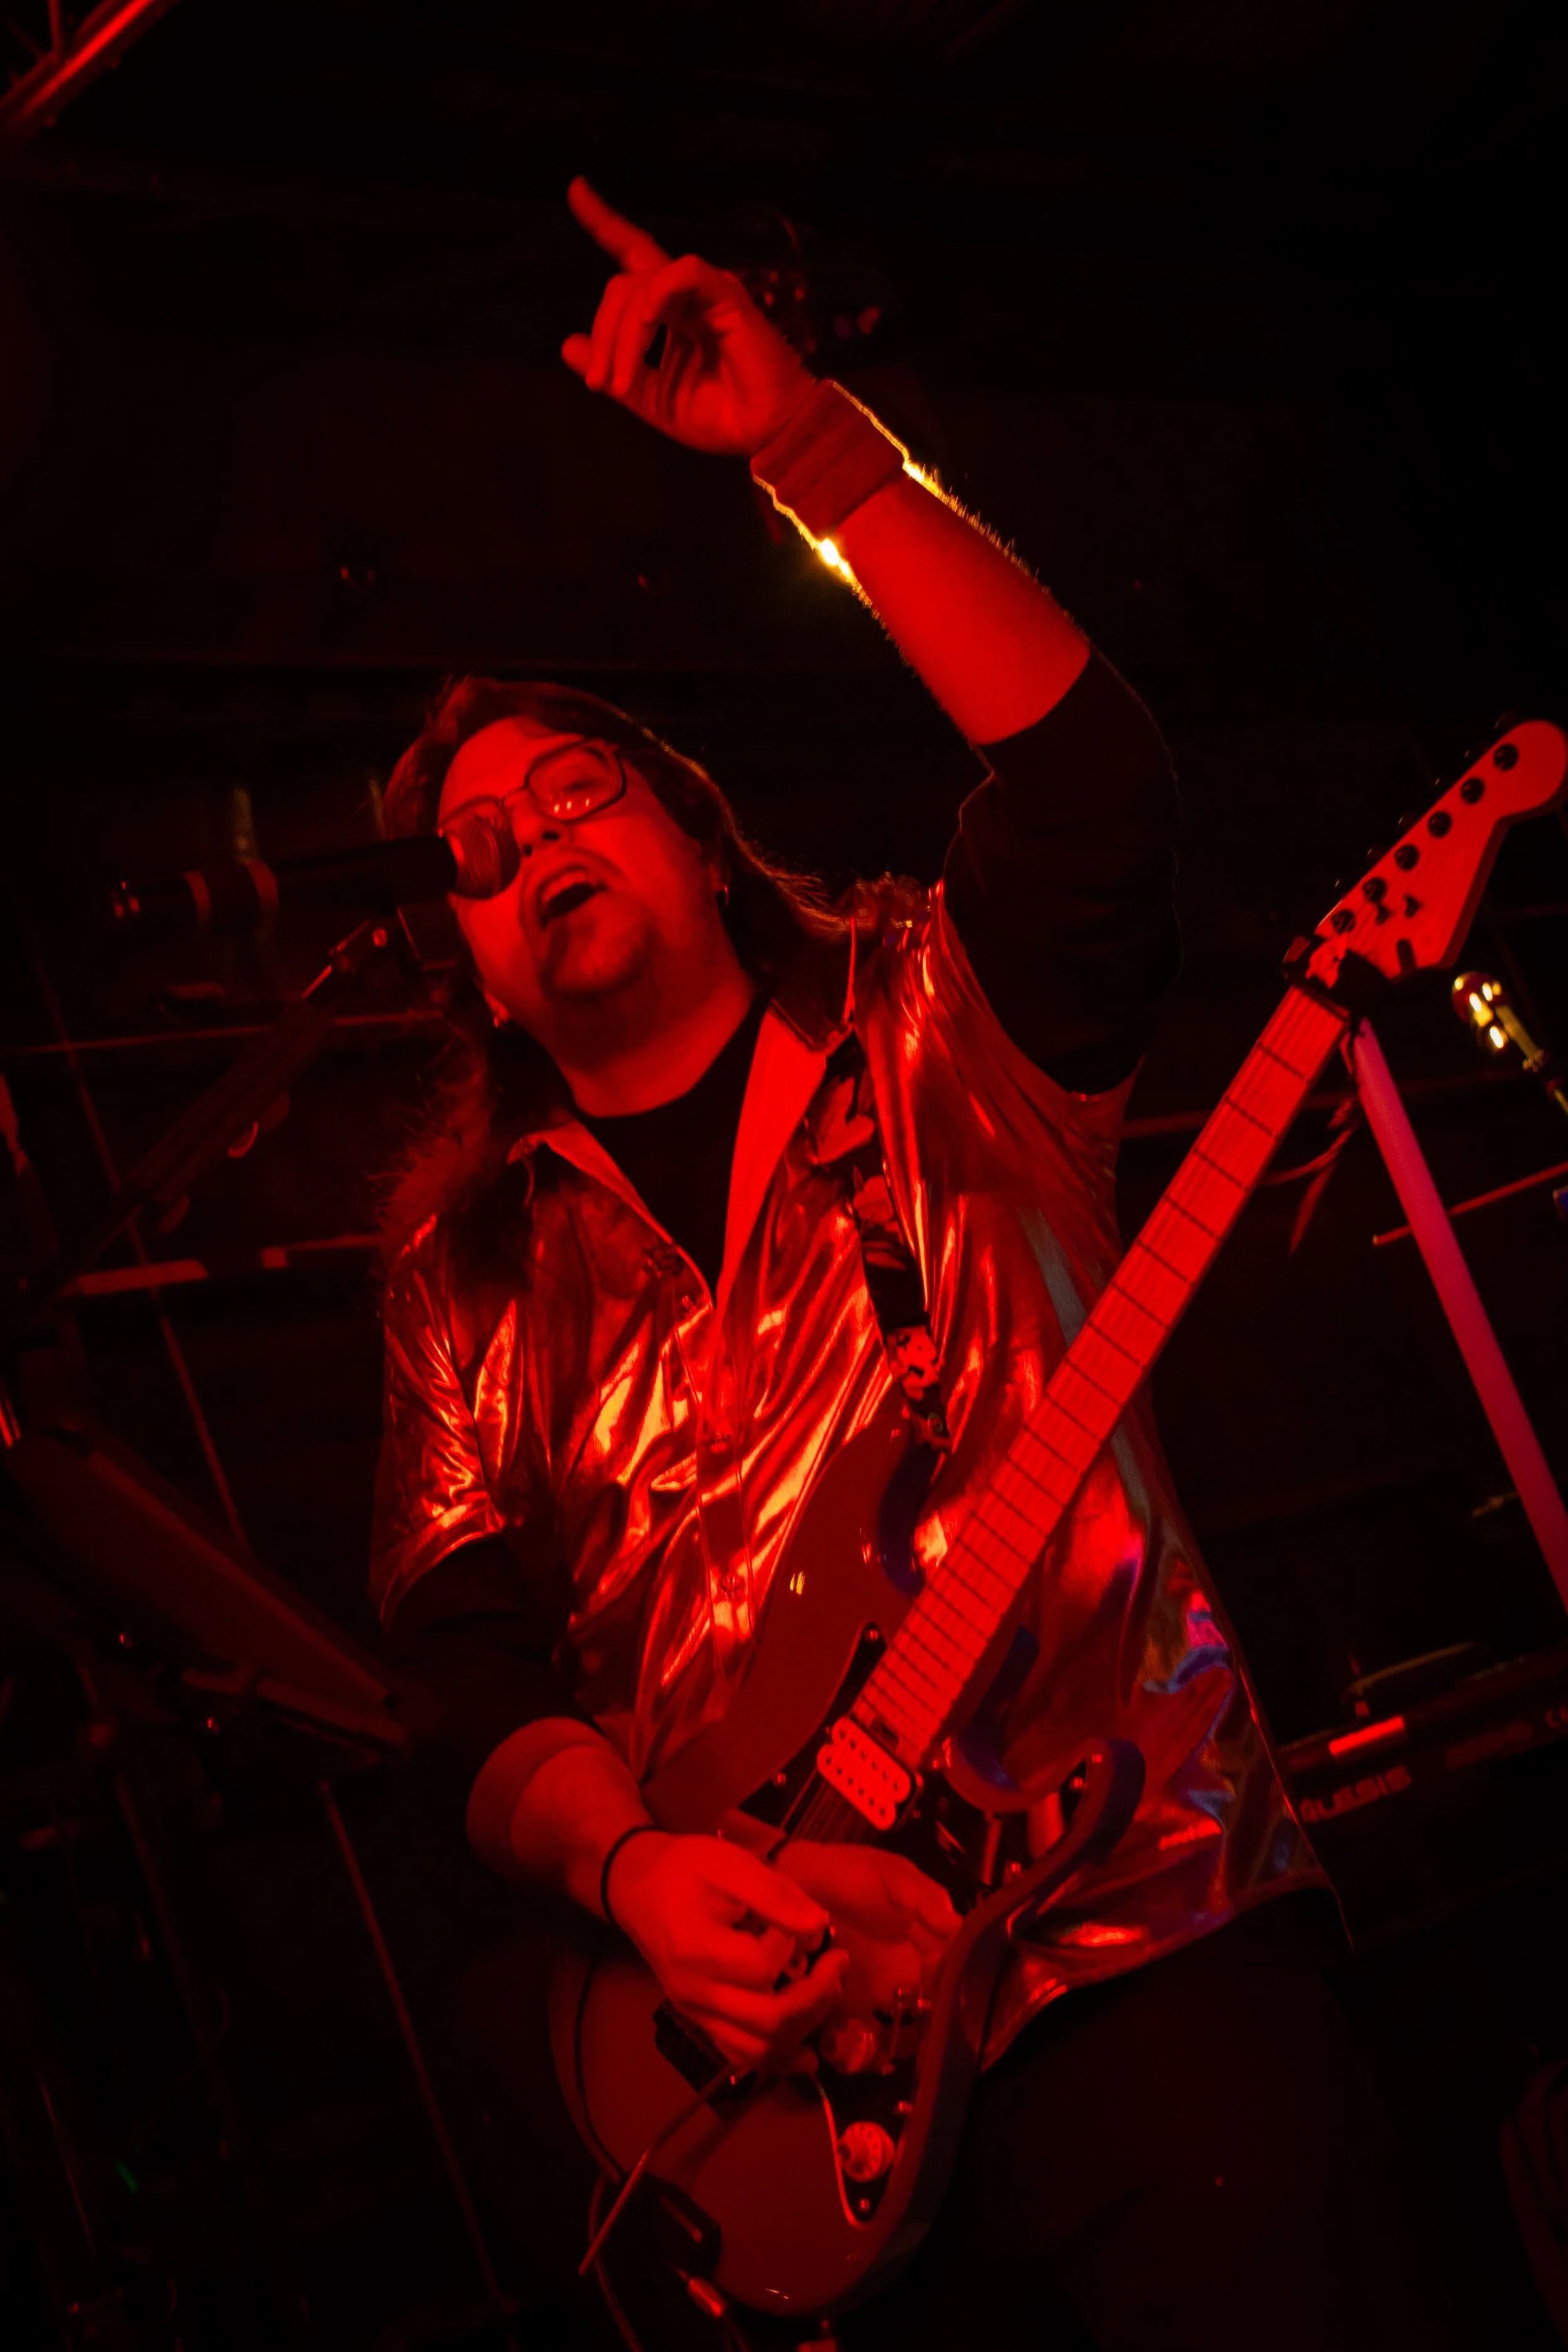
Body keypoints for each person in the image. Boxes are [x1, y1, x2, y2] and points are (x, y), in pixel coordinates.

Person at [370, 181, 1465, 2349]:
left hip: (1141, 1953)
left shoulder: (940, 1012)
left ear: (696, 833)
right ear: (479, 973)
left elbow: (1091, 779)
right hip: (787, 2095)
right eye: (480, 856)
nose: (532, 841)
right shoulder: (457, 1278)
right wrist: (632, 1871)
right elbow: (460, 1679)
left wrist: (811, 450)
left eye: (575, 788)